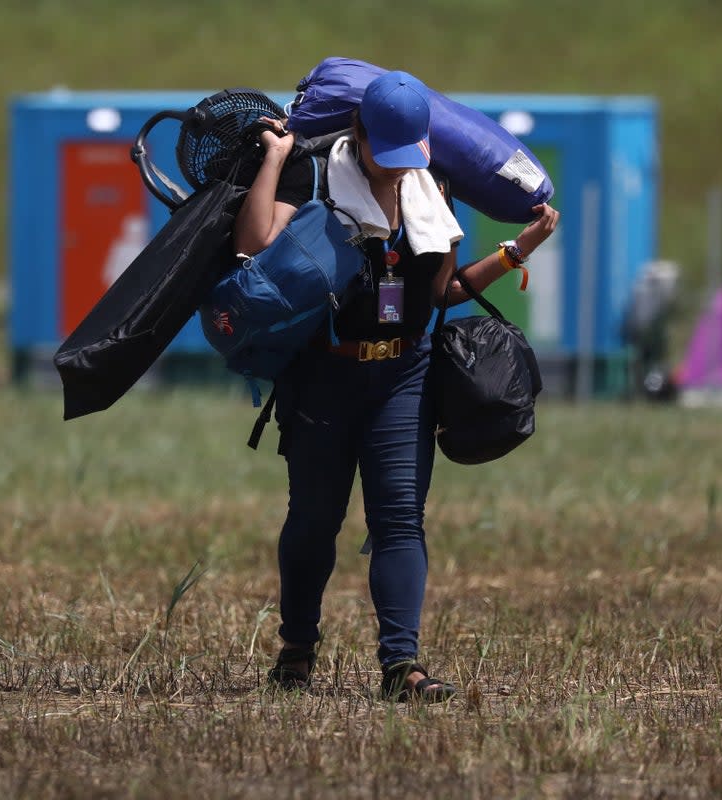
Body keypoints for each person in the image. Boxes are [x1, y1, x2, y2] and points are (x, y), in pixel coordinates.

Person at [233, 70, 559, 702]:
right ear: (359, 134)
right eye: (387, 156)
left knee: (400, 520)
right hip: (325, 377)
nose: (396, 170)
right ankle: (297, 650)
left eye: (410, 156)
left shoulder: (431, 188)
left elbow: (444, 294)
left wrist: (516, 252)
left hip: (403, 376)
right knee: (313, 520)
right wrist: (274, 160)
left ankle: (401, 666)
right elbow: (255, 247)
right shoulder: (318, 177)